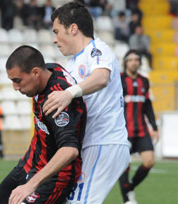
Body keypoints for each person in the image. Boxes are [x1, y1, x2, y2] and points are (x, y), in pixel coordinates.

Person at [42, 2, 130, 203]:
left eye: (56, 31)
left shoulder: (97, 49)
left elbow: (101, 78)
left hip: (103, 141)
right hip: (90, 143)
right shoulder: (72, 63)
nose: (54, 39)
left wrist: (68, 93)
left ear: (73, 28)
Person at [0, 45, 87, 204]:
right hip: (28, 164)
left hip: (54, 178)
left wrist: (29, 186)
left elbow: (69, 150)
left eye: (17, 80)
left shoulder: (57, 101)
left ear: (35, 73)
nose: (15, 87)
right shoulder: (49, 69)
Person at [119, 49, 159, 204]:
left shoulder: (144, 81)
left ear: (140, 62)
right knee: (124, 164)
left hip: (141, 130)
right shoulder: (120, 80)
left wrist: (154, 126)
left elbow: (147, 105)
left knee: (149, 161)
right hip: (124, 131)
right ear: (126, 62)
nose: (134, 62)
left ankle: (129, 188)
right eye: (131, 60)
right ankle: (127, 199)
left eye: (137, 59)